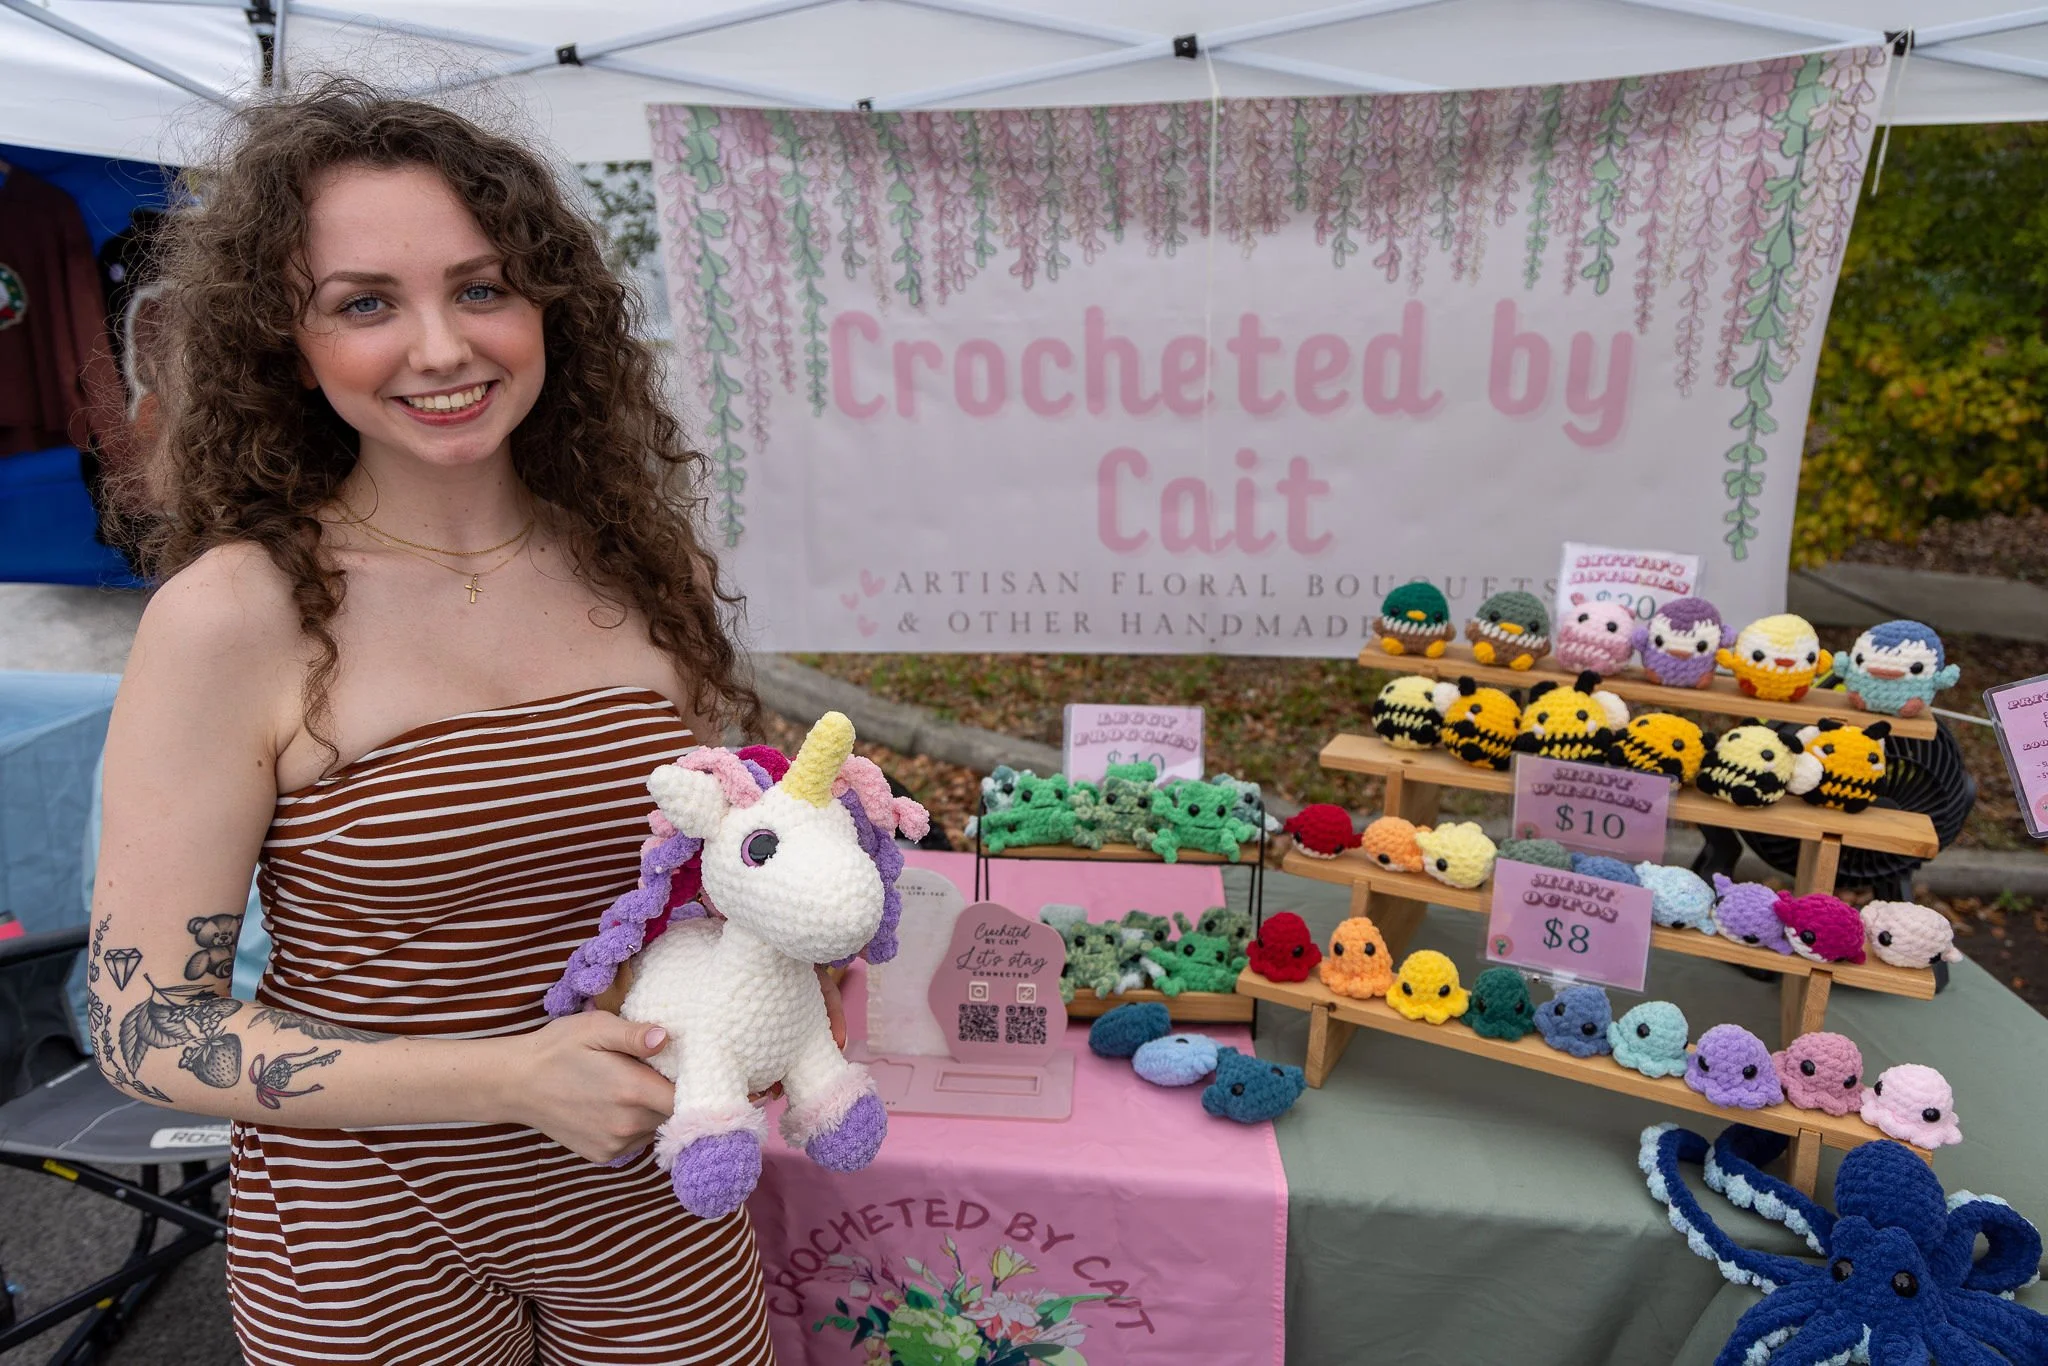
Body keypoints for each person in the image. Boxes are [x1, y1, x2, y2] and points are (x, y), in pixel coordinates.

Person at [88, 77, 807, 1364]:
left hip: (651, 1204)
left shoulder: (648, 566)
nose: (441, 346)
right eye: (365, 303)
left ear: (550, 306)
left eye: (482, 287)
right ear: (282, 343)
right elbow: (151, 1032)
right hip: (371, 1234)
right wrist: (505, 1078)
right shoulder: (232, 618)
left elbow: (708, 879)